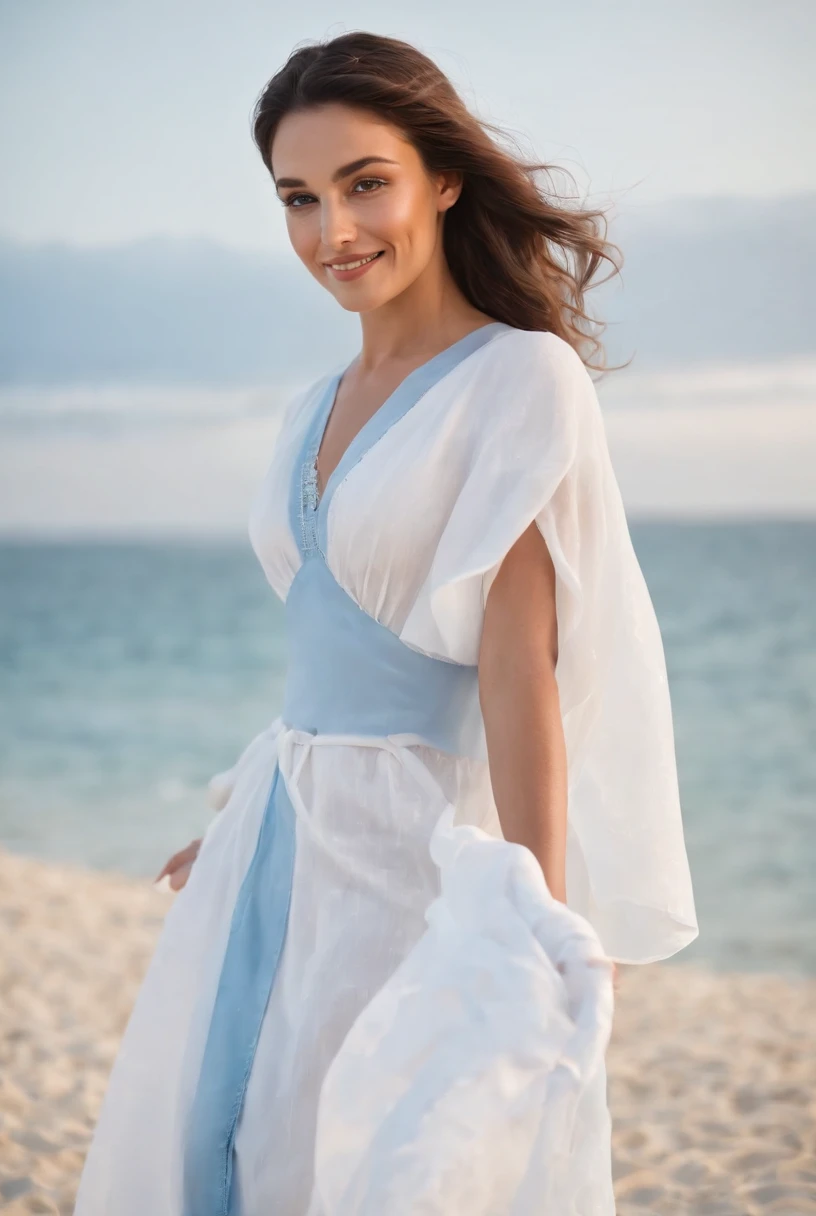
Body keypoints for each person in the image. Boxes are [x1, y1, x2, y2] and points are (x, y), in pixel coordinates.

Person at [74, 29, 697, 1216]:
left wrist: (535, 912)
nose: (332, 233)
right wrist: (254, 819)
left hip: (413, 850)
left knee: (355, 1157)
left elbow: (520, 664)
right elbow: (331, 651)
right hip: (277, 833)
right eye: (298, 199)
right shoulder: (311, 403)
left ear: (443, 178)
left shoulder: (520, 378)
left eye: (365, 183)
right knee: (227, 1138)